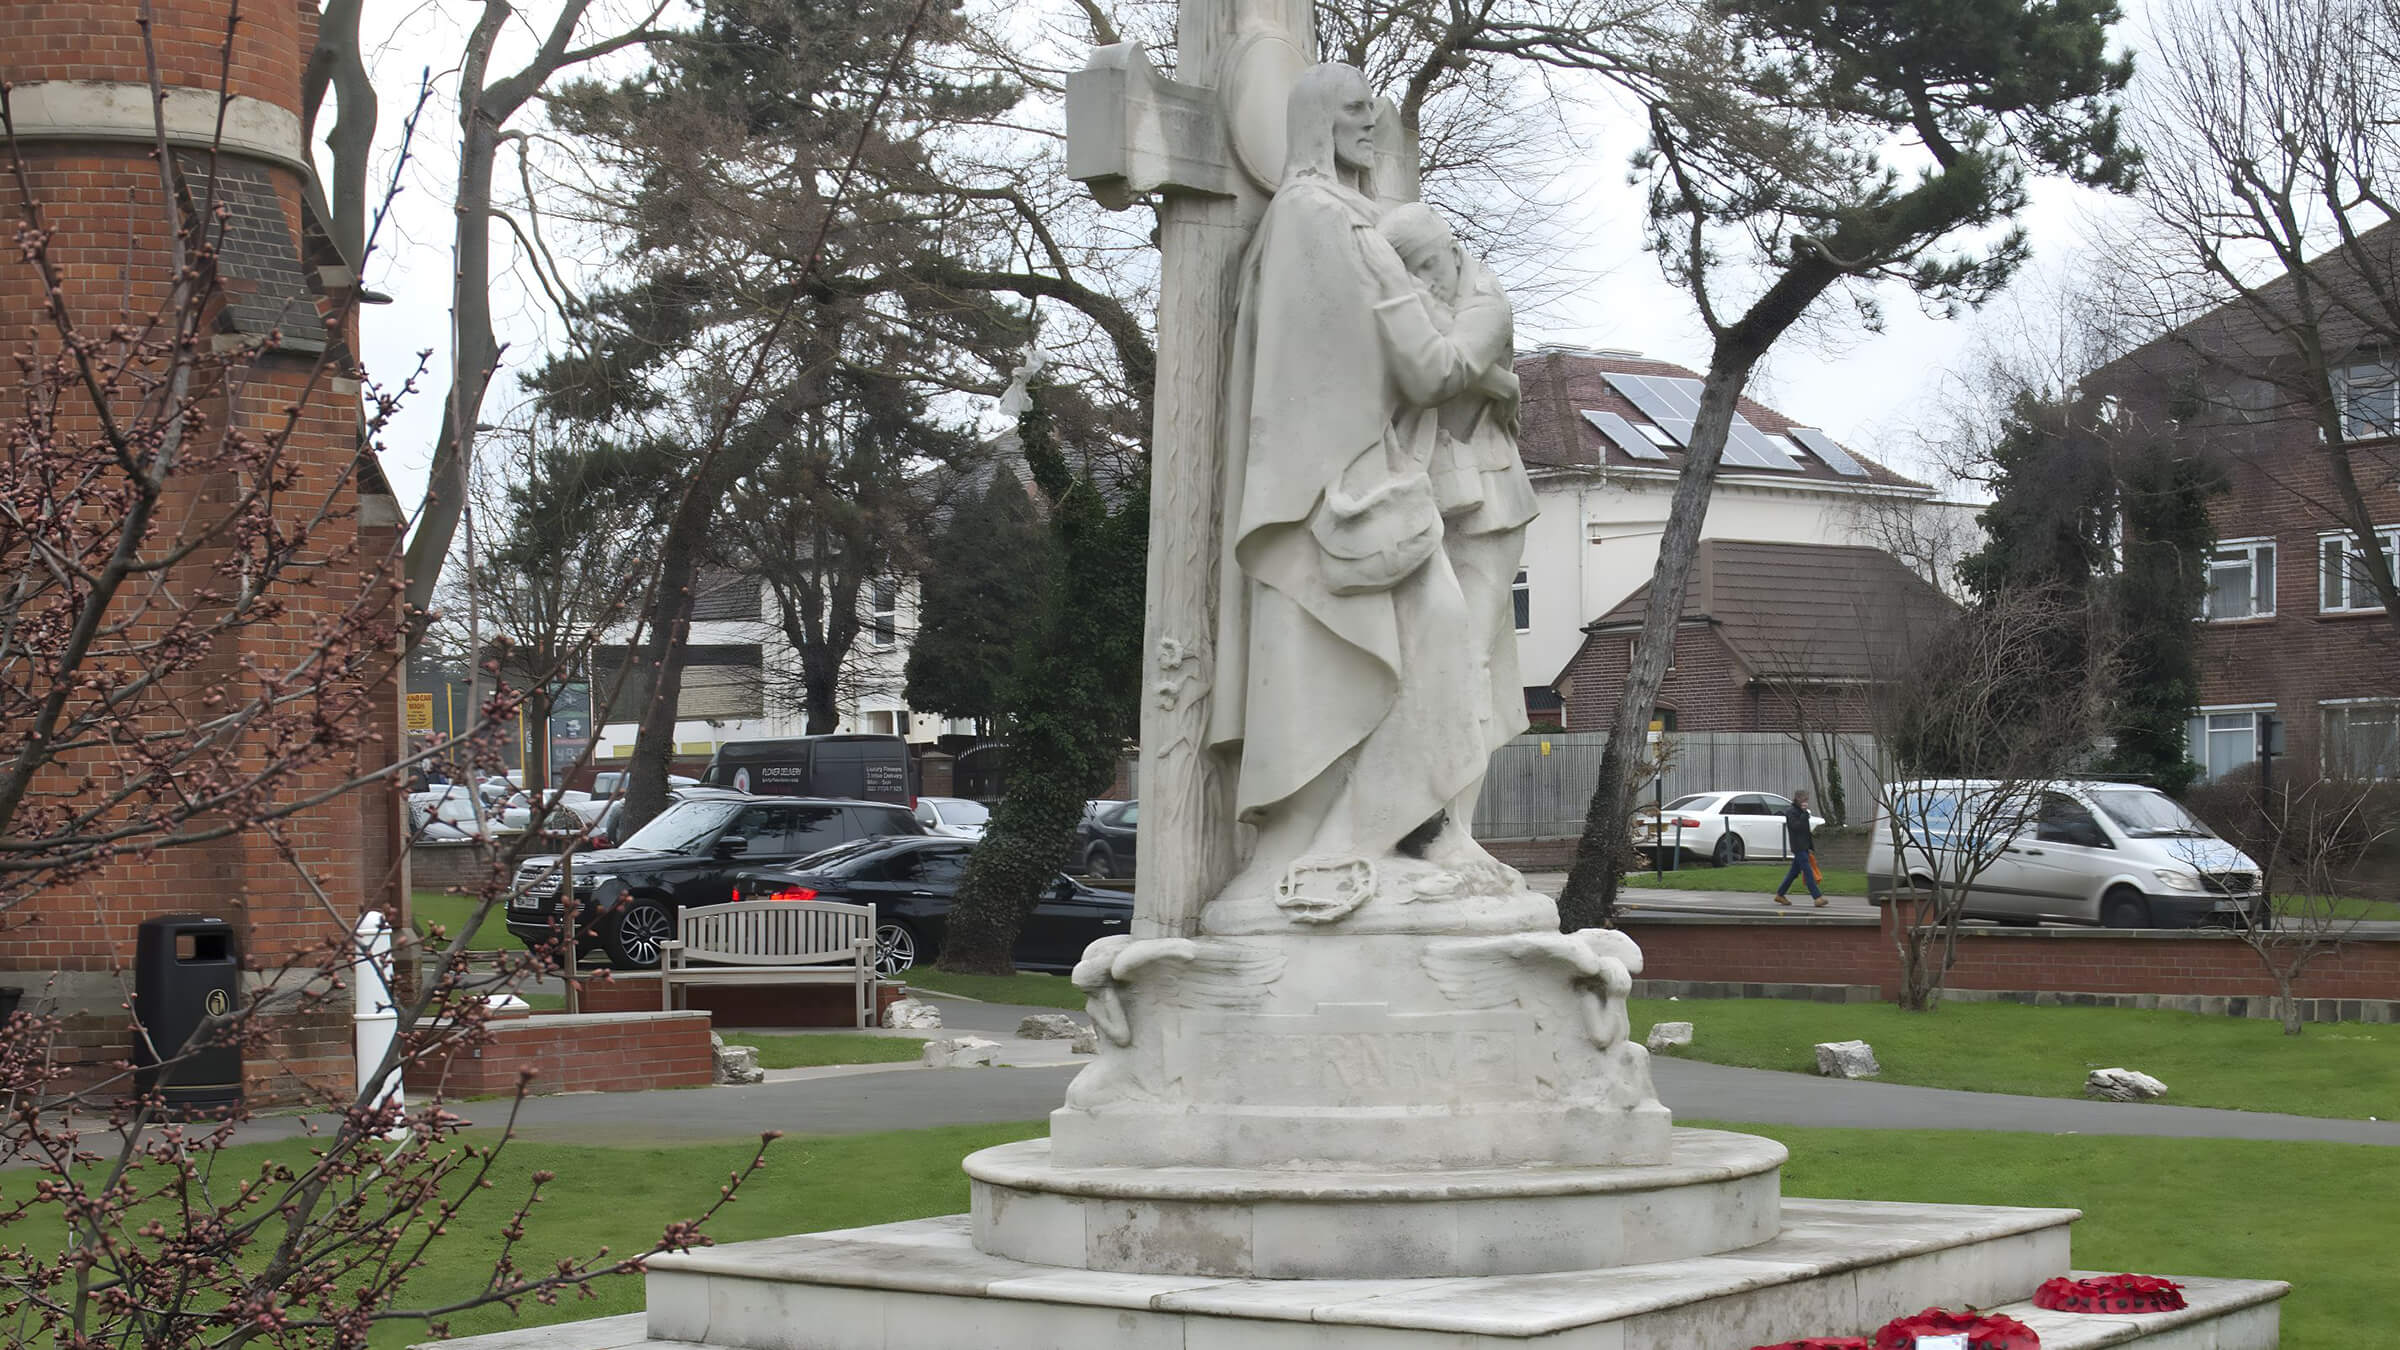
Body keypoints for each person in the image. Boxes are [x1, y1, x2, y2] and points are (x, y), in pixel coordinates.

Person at [1205, 63, 1523, 928]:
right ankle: (1352, 844)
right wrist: (1486, 304)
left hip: (1340, 486)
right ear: (1315, 123)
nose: (1371, 129)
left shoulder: (1313, 221)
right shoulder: (1327, 223)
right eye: (1355, 114)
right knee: (1430, 647)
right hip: (1343, 496)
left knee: (1430, 648)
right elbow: (1430, 367)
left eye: (1372, 114)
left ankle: (1387, 837)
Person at [1772, 788, 1826, 908]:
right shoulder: (1791, 812)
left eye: (1807, 799)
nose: (1806, 802)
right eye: (1804, 799)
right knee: (1808, 871)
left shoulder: (1802, 812)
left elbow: (1805, 831)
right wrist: (1803, 814)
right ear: (1797, 799)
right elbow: (1795, 827)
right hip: (1798, 846)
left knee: (1793, 873)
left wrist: (1810, 846)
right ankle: (1817, 897)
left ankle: (1780, 894)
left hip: (1804, 846)